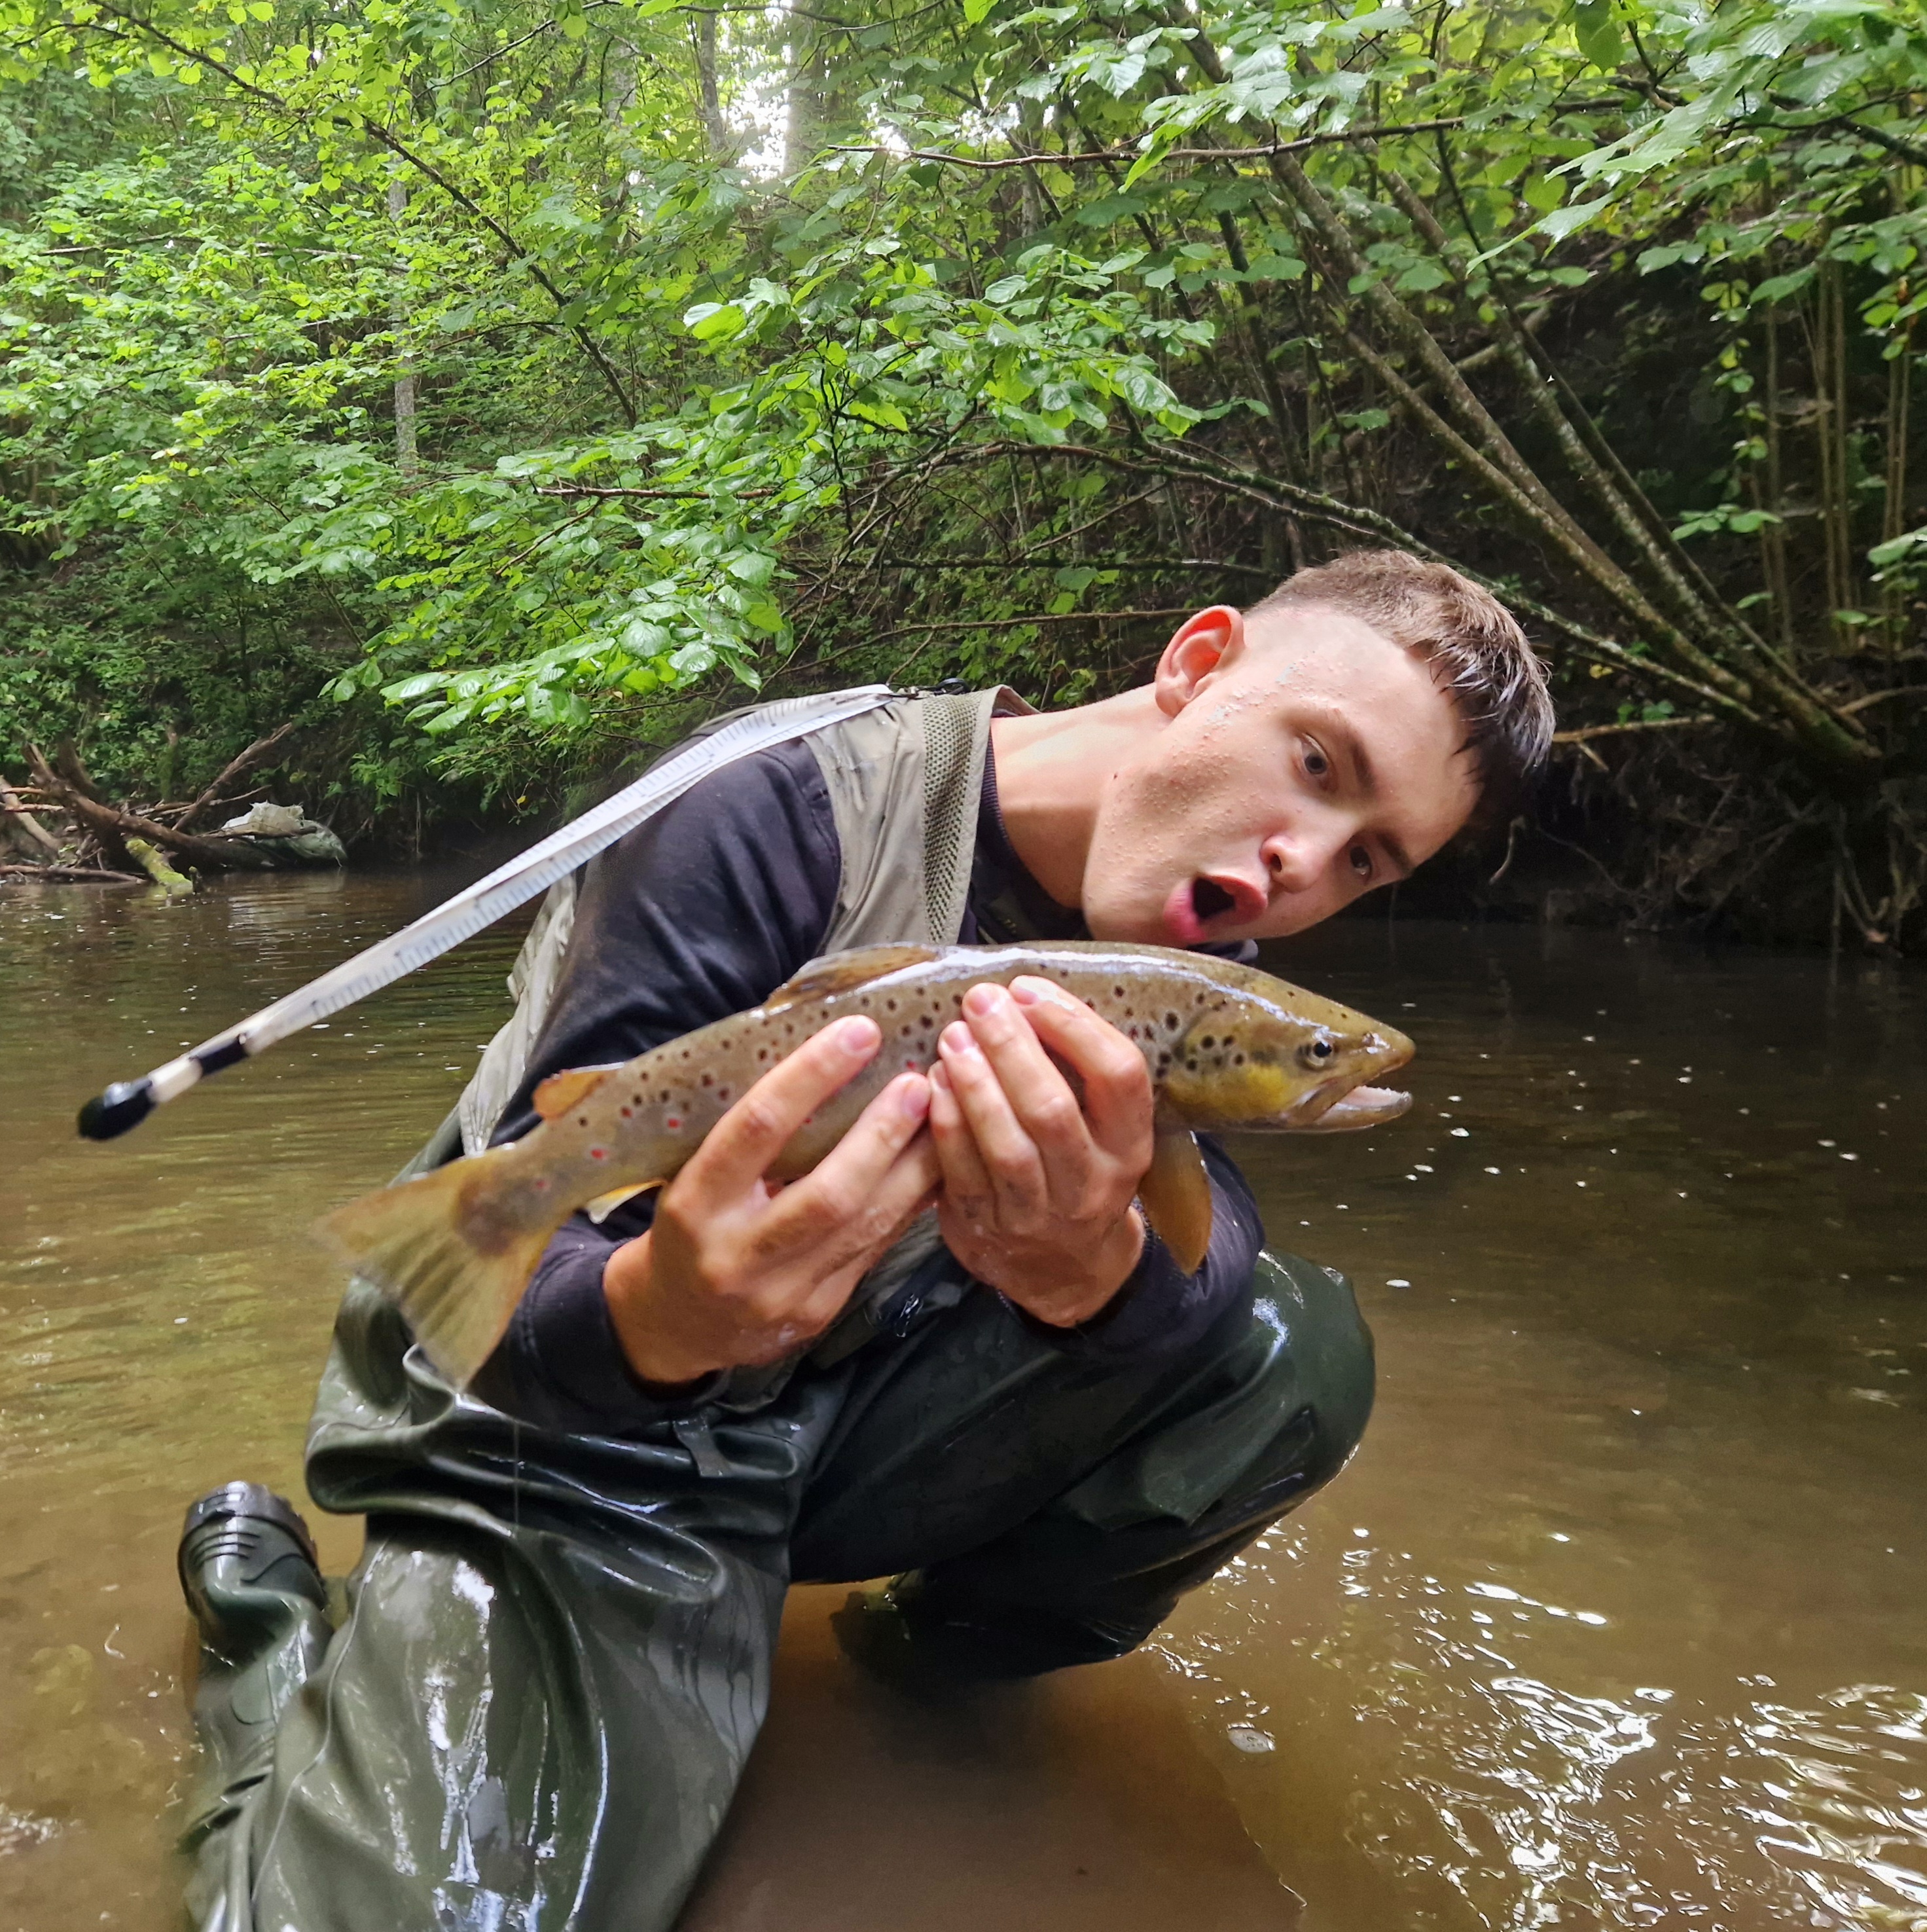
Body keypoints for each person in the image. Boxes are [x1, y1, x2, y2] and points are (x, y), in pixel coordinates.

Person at [176, 550, 1552, 1931]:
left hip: (830, 1398)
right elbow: (524, 1279)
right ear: (1195, 667)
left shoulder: (1195, 978)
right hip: (557, 1404)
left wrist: (1097, 1284)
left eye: (1369, 858)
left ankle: (921, 1674)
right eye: (1316, 764)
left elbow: (1204, 1262)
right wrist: (665, 1311)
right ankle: (273, 1642)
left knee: (1281, 1357)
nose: (1304, 867)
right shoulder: (773, 806)